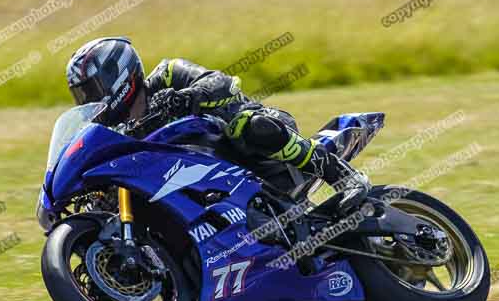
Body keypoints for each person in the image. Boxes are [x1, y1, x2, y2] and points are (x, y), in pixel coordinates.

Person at [65, 36, 370, 213]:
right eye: (82, 96)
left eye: (91, 91)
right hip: (212, 188)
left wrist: (185, 97)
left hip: (256, 137)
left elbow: (221, 83)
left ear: (117, 75)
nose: (88, 101)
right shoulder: (117, 134)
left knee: (247, 125)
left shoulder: (168, 74)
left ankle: (339, 173)